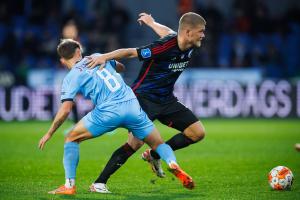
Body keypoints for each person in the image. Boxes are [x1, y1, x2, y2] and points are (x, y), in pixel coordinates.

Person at [38, 39, 195, 195]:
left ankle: (69, 186)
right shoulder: (98, 56)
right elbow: (121, 66)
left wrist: (49, 132)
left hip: (108, 112)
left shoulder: (71, 77)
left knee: (71, 138)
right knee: (158, 143)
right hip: (133, 106)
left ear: (62, 60)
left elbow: (65, 110)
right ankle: (172, 162)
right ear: (79, 51)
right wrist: (109, 66)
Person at [86, 12, 206, 189]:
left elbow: (168, 31)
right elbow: (131, 52)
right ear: (188, 32)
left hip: (166, 100)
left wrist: (152, 22)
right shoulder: (163, 47)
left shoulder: (187, 41)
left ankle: (154, 155)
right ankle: (99, 183)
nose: (203, 35)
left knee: (197, 133)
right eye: (201, 31)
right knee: (134, 143)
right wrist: (104, 57)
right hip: (142, 99)